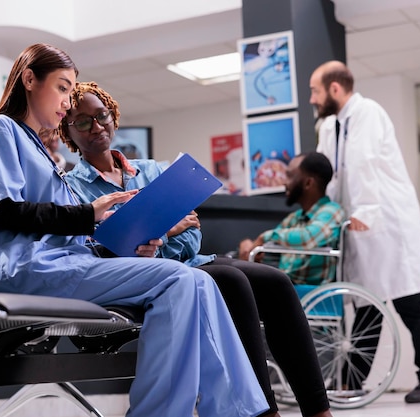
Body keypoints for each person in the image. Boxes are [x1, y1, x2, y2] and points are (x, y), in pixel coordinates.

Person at [0, 43, 269, 417]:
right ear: (28, 80)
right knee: (178, 281)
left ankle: (236, 411)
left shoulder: (39, 150)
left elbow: (63, 229)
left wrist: (116, 240)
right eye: (61, 87)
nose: (64, 102)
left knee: (194, 281)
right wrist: (88, 214)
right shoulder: (0, 130)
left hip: (62, 263)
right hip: (25, 269)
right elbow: (2, 211)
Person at [60, 81, 334, 417]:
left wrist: (160, 238)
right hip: (151, 279)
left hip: (192, 261)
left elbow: (192, 235)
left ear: (113, 117)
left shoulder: (152, 171)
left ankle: (319, 410)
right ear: (67, 133)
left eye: (101, 116)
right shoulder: (73, 190)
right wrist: (167, 231)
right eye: (83, 122)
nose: (97, 126)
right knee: (233, 282)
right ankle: (265, 411)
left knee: (276, 282)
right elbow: (108, 249)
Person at [310, 60, 420, 403]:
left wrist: (366, 211)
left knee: (408, 302)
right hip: (361, 227)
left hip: (387, 222)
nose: (312, 98)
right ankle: (349, 383)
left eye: (315, 90)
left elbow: (363, 162)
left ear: (335, 88)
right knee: (367, 306)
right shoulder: (331, 125)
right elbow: (332, 173)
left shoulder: (367, 113)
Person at [238, 152, 346, 286]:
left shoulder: (332, 211)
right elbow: (266, 245)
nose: (284, 182)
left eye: (289, 176)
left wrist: (265, 237)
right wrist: (248, 245)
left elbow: (308, 238)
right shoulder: (294, 218)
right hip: (286, 287)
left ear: (308, 183)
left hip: (309, 292)